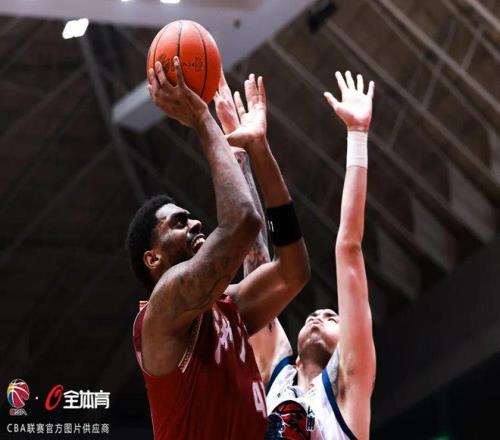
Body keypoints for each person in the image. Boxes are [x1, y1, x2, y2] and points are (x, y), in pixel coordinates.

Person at [126, 57, 309, 440]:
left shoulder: (229, 308)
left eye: (191, 217)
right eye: (178, 223)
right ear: (153, 258)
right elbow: (242, 222)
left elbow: (293, 271)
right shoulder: (161, 312)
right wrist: (200, 116)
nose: (195, 223)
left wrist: (257, 148)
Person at [219, 70, 376, 440]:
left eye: (333, 317)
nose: (320, 315)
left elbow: (348, 248)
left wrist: (357, 135)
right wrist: (239, 154)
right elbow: (256, 263)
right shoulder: (277, 374)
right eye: (316, 315)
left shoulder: (350, 385)